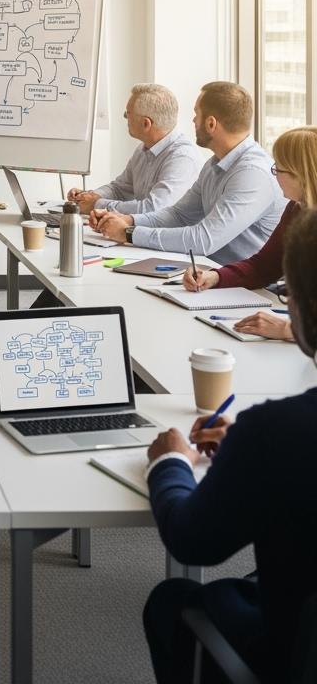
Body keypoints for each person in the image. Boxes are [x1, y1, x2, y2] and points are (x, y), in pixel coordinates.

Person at [141, 205, 317, 684]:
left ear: (301, 309)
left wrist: (170, 462)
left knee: (171, 602)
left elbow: (192, 541)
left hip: (291, 652)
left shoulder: (275, 431)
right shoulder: (270, 434)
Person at [92, 82, 285, 263]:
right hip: (211, 274)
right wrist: (128, 220)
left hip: (247, 284)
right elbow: (179, 215)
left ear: (211, 124)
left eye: (196, 114)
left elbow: (203, 239)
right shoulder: (214, 164)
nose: (193, 120)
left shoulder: (252, 174)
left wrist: (129, 233)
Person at [180, 124, 317, 342]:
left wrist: (288, 330)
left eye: (279, 169)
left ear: (300, 173)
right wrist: (215, 277)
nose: (274, 174)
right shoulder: (296, 209)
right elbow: (264, 266)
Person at [67, 83, 199, 215]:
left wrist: (97, 204)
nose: (125, 117)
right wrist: (90, 196)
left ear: (146, 123)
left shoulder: (182, 158)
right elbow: (120, 189)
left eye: (128, 114)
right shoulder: (143, 149)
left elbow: (153, 209)